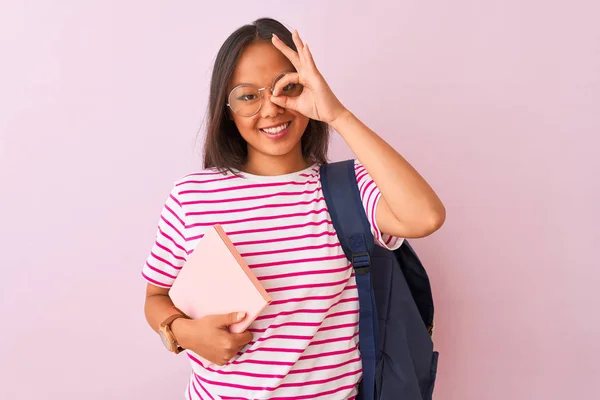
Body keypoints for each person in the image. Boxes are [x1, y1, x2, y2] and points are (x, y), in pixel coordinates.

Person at [142, 17, 446, 400]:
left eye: (286, 87)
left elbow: (426, 216)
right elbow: (156, 297)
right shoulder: (192, 196)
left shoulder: (349, 189)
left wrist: (337, 114)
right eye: (248, 95)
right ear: (227, 108)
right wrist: (181, 333)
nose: (271, 109)